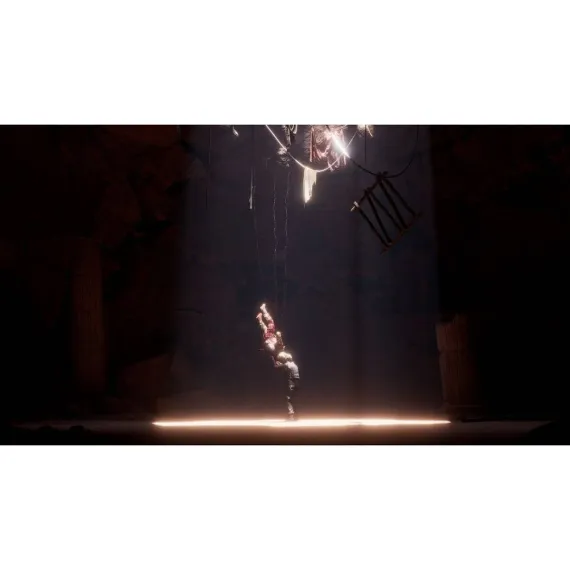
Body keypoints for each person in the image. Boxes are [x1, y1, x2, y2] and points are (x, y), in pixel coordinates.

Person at [273, 352, 300, 421]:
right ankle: (295, 415)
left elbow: (276, 367)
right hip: (294, 384)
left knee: (288, 399)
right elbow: (296, 377)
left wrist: (273, 359)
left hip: (290, 384)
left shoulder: (287, 365)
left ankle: (291, 415)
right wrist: (297, 385)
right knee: (292, 400)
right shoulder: (295, 365)